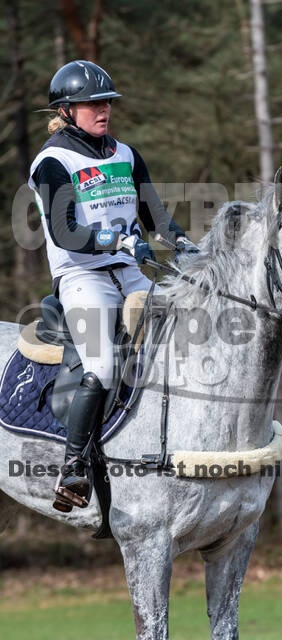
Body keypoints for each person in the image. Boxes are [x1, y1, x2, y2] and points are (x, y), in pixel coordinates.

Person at [28, 60, 198, 511]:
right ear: (66, 110)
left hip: (128, 272)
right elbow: (65, 233)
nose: (103, 109)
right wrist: (119, 239)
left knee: (181, 340)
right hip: (82, 277)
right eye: (92, 103)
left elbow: (153, 217)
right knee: (102, 367)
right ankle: (73, 469)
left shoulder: (126, 154)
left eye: (107, 102)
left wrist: (181, 242)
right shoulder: (52, 161)